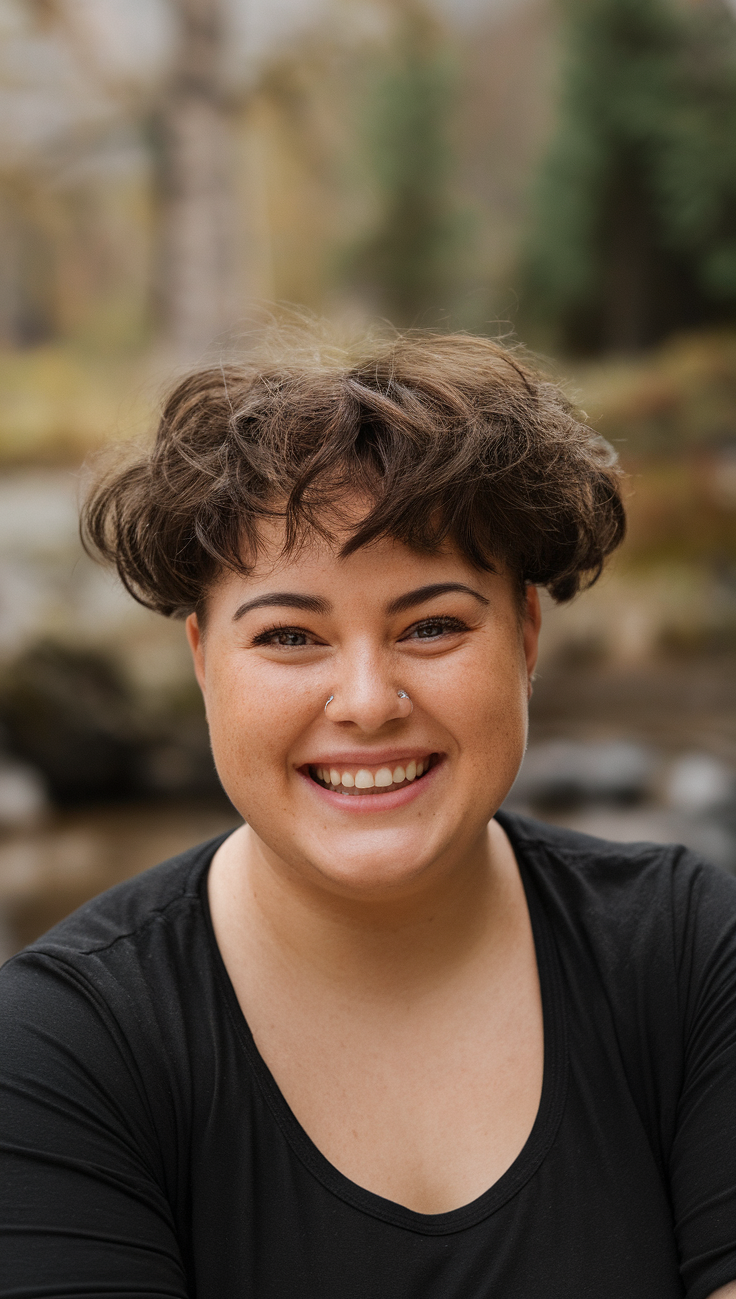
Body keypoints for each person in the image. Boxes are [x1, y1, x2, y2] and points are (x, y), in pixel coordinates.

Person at [1, 331, 735, 1299]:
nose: (365, 700)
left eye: (431, 625)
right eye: (290, 635)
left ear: (523, 634)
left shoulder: (685, 951)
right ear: (200, 659)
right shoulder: (61, 1050)